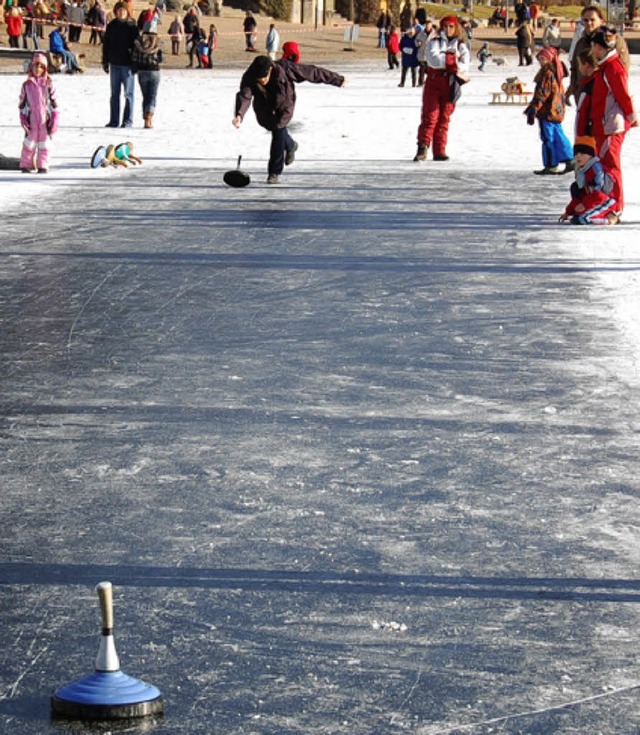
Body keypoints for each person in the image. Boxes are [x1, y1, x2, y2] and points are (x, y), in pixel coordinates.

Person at [232, 54, 345, 184]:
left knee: (278, 132)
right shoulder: (249, 77)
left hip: (284, 106)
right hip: (265, 109)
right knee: (276, 129)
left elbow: (312, 72)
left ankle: (274, 172)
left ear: (270, 70)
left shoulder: (285, 69)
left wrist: (337, 80)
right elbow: (245, 96)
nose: (262, 81)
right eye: (259, 79)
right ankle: (291, 145)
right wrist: (239, 115)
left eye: (264, 77)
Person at [589, 26, 637, 215]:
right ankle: (608, 202)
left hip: (611, 125)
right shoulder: (605, 66)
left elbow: (623, 95)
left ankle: (614, 206)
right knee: (605, 164)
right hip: (604, 124)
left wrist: (632, 118)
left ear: (602, 47)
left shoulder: (613, 68)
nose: (593, 50)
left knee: (610, 165)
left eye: (595, 46)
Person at [413, 15, 470, 162]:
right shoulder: (434, 42)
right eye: (445, 26)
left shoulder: (461, 45)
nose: (448, 29)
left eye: (451, 26)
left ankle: (439, 150)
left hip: (451, 84)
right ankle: (423, 147)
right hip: (434, 82)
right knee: (430, 116)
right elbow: (433, 60)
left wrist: (449, 60)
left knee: (444, 118)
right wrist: (452, 59)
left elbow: (465, 64)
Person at [523, 46, 574, 175]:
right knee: (558, 135)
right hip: (556, 111)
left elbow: (542, 93)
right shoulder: (556, 73)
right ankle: (569, 159)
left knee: (548, 137)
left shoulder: (547, 74)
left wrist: (533, 108)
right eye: (539, 59)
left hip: (548, 111)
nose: (540, 62)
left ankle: (551, 164)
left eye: (543, 59)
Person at [567, 5, 629, 104]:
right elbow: (574, 67)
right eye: (585, 20)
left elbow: (622, 68)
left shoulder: (614, 41)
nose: (589, 23)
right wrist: (573, 88)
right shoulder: (581, 42)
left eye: (592, 20)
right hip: (583, 95)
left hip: (605, 97)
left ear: (601, 21)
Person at [559, 136, 619, 225]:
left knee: (582, 219)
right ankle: (605, 214)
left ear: (591, 155)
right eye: (576, 154)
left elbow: (599, 193)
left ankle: (610, 219)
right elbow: (580, 195)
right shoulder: (582, 171)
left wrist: (584, 205)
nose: (578, 157)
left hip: (605, 201)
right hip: (593, 201)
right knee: (575, 188)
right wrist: (568, 212)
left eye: (582, 154)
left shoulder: (596, 169)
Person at [19, 51, 59, 173]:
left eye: (41, 67)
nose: (38, 69)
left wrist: (54, 119)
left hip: (44, 120)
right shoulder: (27, 85)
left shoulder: (48, 84)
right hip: (32, 118)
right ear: (32, 67)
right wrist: (23, 118)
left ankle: (43, 165)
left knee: (44, 144)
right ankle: (26, 164)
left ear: (45, 69)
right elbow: (22, 103)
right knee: (29, 143)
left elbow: (54, 103)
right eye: (36, 66)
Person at [102, 1, 139, 128]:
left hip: (127, 65)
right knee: (114, 94)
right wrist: (105, 60)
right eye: (119, 11)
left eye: (123, 11)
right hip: (114, 64)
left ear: (127, 12)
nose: (121, 13)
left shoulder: (132, 26)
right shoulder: (111, 26)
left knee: (128, 94)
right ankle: (114, 120)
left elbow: (137, 47)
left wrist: (135, 63)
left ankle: (127, 121)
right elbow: (106, 44)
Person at [131, 29, 162, 128]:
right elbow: (161, 59)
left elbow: (134, 58)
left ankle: (145, 117)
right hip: (154, 71)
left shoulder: (139, 42)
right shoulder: (157, 42)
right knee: (152, 95)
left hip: (142, 71)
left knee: (145, 96)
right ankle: (149, 116)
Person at [574, 48, 596, 137]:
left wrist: (581, 135)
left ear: (586, 65)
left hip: (588, 134)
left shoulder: (593, 86)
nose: (579, 68)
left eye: (579, 64)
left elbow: (585, 113)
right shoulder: (587, 83)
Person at [415, 18, 435, 86]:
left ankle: (431, 83)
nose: (427, 27)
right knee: (422, 69)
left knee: (429, 70)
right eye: (426, 25)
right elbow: (416, 41)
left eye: (429, 25)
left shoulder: (434, 34)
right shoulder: (421, 33)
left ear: (431, 26)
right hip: (422, 54)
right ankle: (420, 82)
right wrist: (418, 43)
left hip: (431, 55)